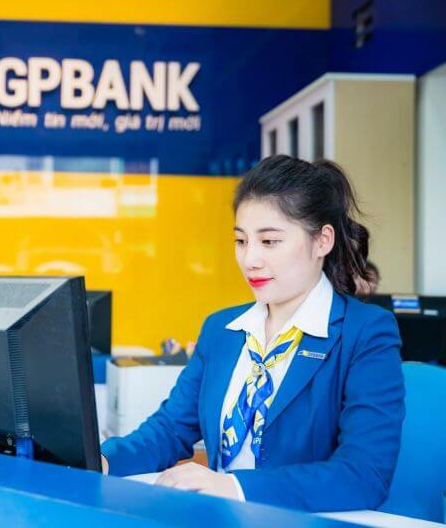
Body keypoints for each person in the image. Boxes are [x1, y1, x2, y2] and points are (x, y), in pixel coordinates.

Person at [101, 155, 404, 512]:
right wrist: (101, 460)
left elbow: (364, 475)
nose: (250, 260)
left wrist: (233, 486)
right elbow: (170, 430)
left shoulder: (366, 333)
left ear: (322, 241)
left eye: (270, 241)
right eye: (242, 241)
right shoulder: (222, 330)